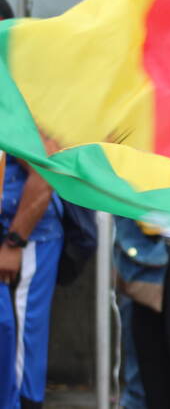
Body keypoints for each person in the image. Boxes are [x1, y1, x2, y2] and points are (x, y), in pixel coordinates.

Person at [1, 146, 63, 409]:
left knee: (21, 342)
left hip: (28, 239)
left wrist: (15, 242)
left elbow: (44, 174)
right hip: (15, 238)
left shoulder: (17, 112)